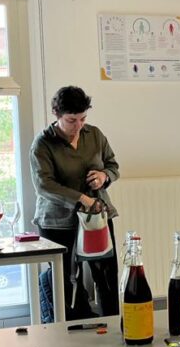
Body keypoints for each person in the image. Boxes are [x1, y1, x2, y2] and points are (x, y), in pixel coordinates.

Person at [30, 86, 120, 322]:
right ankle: (71, 329)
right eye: (71, 120)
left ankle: (113, 325)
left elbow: (113, 166)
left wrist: (104, 176)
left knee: (107, 275)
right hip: (58, 221)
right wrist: (81, 198)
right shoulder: (42, 144)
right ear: (56, 114)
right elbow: (44, 185)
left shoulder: (95, 135)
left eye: (83, 119)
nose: (78, 126)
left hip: (97, 216)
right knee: (67, 281)